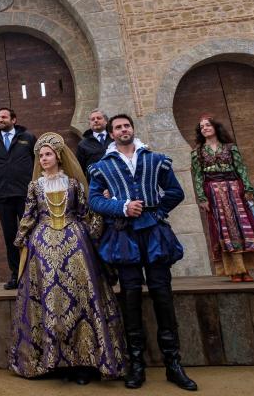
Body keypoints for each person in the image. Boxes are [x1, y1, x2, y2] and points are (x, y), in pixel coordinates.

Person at [89, 114, 197, 391]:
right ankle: (136, 364)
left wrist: (157, 211)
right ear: (111, 134)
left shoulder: (155, 159)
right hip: (124, 234)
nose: (123, 130)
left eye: (126, 126)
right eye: (118, 127)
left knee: (162, 293)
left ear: (132, 129)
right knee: (131, 296)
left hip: (154, 232)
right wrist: (122, 208)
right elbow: (94, 200)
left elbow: (175, 192)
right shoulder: (102, 167)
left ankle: (173, 363)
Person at [8, 132, 125, 384]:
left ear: (58, 156)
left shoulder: (73, 185)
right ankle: (54, 361)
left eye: (48, 154)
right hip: (43, 247)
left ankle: (84, 362)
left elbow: (85, 213)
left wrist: (99, 225)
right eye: (41, 155)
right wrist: (20, 240)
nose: (44, 158)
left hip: (75, 245)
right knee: (52, 300)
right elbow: (29, 215)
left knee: (80, 298)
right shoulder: (34, 186)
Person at [189, 115, 254, 282]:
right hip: (214, 192)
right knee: (223, 229)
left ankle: (246, 270)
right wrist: (202, 197)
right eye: (202, 127)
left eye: (208, 125)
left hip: (234, 190)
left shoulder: (231, 148)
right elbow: (197, 176)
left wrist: (247, 188)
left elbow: (241, 169)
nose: (205, 128)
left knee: (242, 226)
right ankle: (234, 270)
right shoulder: (198, 152)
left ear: (215, 127)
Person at [0, 107, 37, 290]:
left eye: (4, 117)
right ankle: (16, 275)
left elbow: (36, 162)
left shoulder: (28, 138)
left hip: (25, 195)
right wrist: (3, 182)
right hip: (3, 196)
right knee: (10, 237)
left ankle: (33, 274)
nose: (0, 120)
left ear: (13, 120)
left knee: (29, 234)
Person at [76, 109, 113, 177]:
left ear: (106, 121)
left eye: (99, 118)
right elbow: (80, 169)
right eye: (92, 119)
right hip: (97, 184)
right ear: (89, 124)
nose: (96, 120)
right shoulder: (83, 144)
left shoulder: (115, 138)